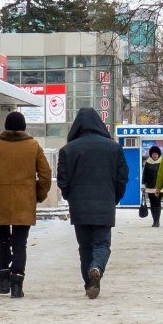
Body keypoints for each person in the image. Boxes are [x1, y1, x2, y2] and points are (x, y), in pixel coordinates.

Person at [0, 111, 52, 298]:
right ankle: (17, 284)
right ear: (24, 127)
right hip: (24, 201)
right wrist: (37, 195)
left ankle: (3, 281)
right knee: (20, 243)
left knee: (1, 240)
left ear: (6, 126)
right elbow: (45, 175)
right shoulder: (33, 146)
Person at [56, 108, 129, 300]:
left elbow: (62, 179)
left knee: (85, 247)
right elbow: (122, 177)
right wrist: (115, 198)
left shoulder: (68, 150)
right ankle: (96, 267)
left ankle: (89, 284)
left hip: (79, 205)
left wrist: (70, 196)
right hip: (105, 203)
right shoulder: (114, 148)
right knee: (101, 243)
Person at [141, 145, 163, 227]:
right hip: (150, 187)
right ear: (151, 155)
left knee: (157, 203)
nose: (155, 156)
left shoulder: (162, 162)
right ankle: (154, 220)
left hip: (159, 187)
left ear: (158, 155)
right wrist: (143, 185)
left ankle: (157, 221)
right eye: (153, 154)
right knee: (152, 203)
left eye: (156, 154)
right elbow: (145, 174)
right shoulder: (148, 163)